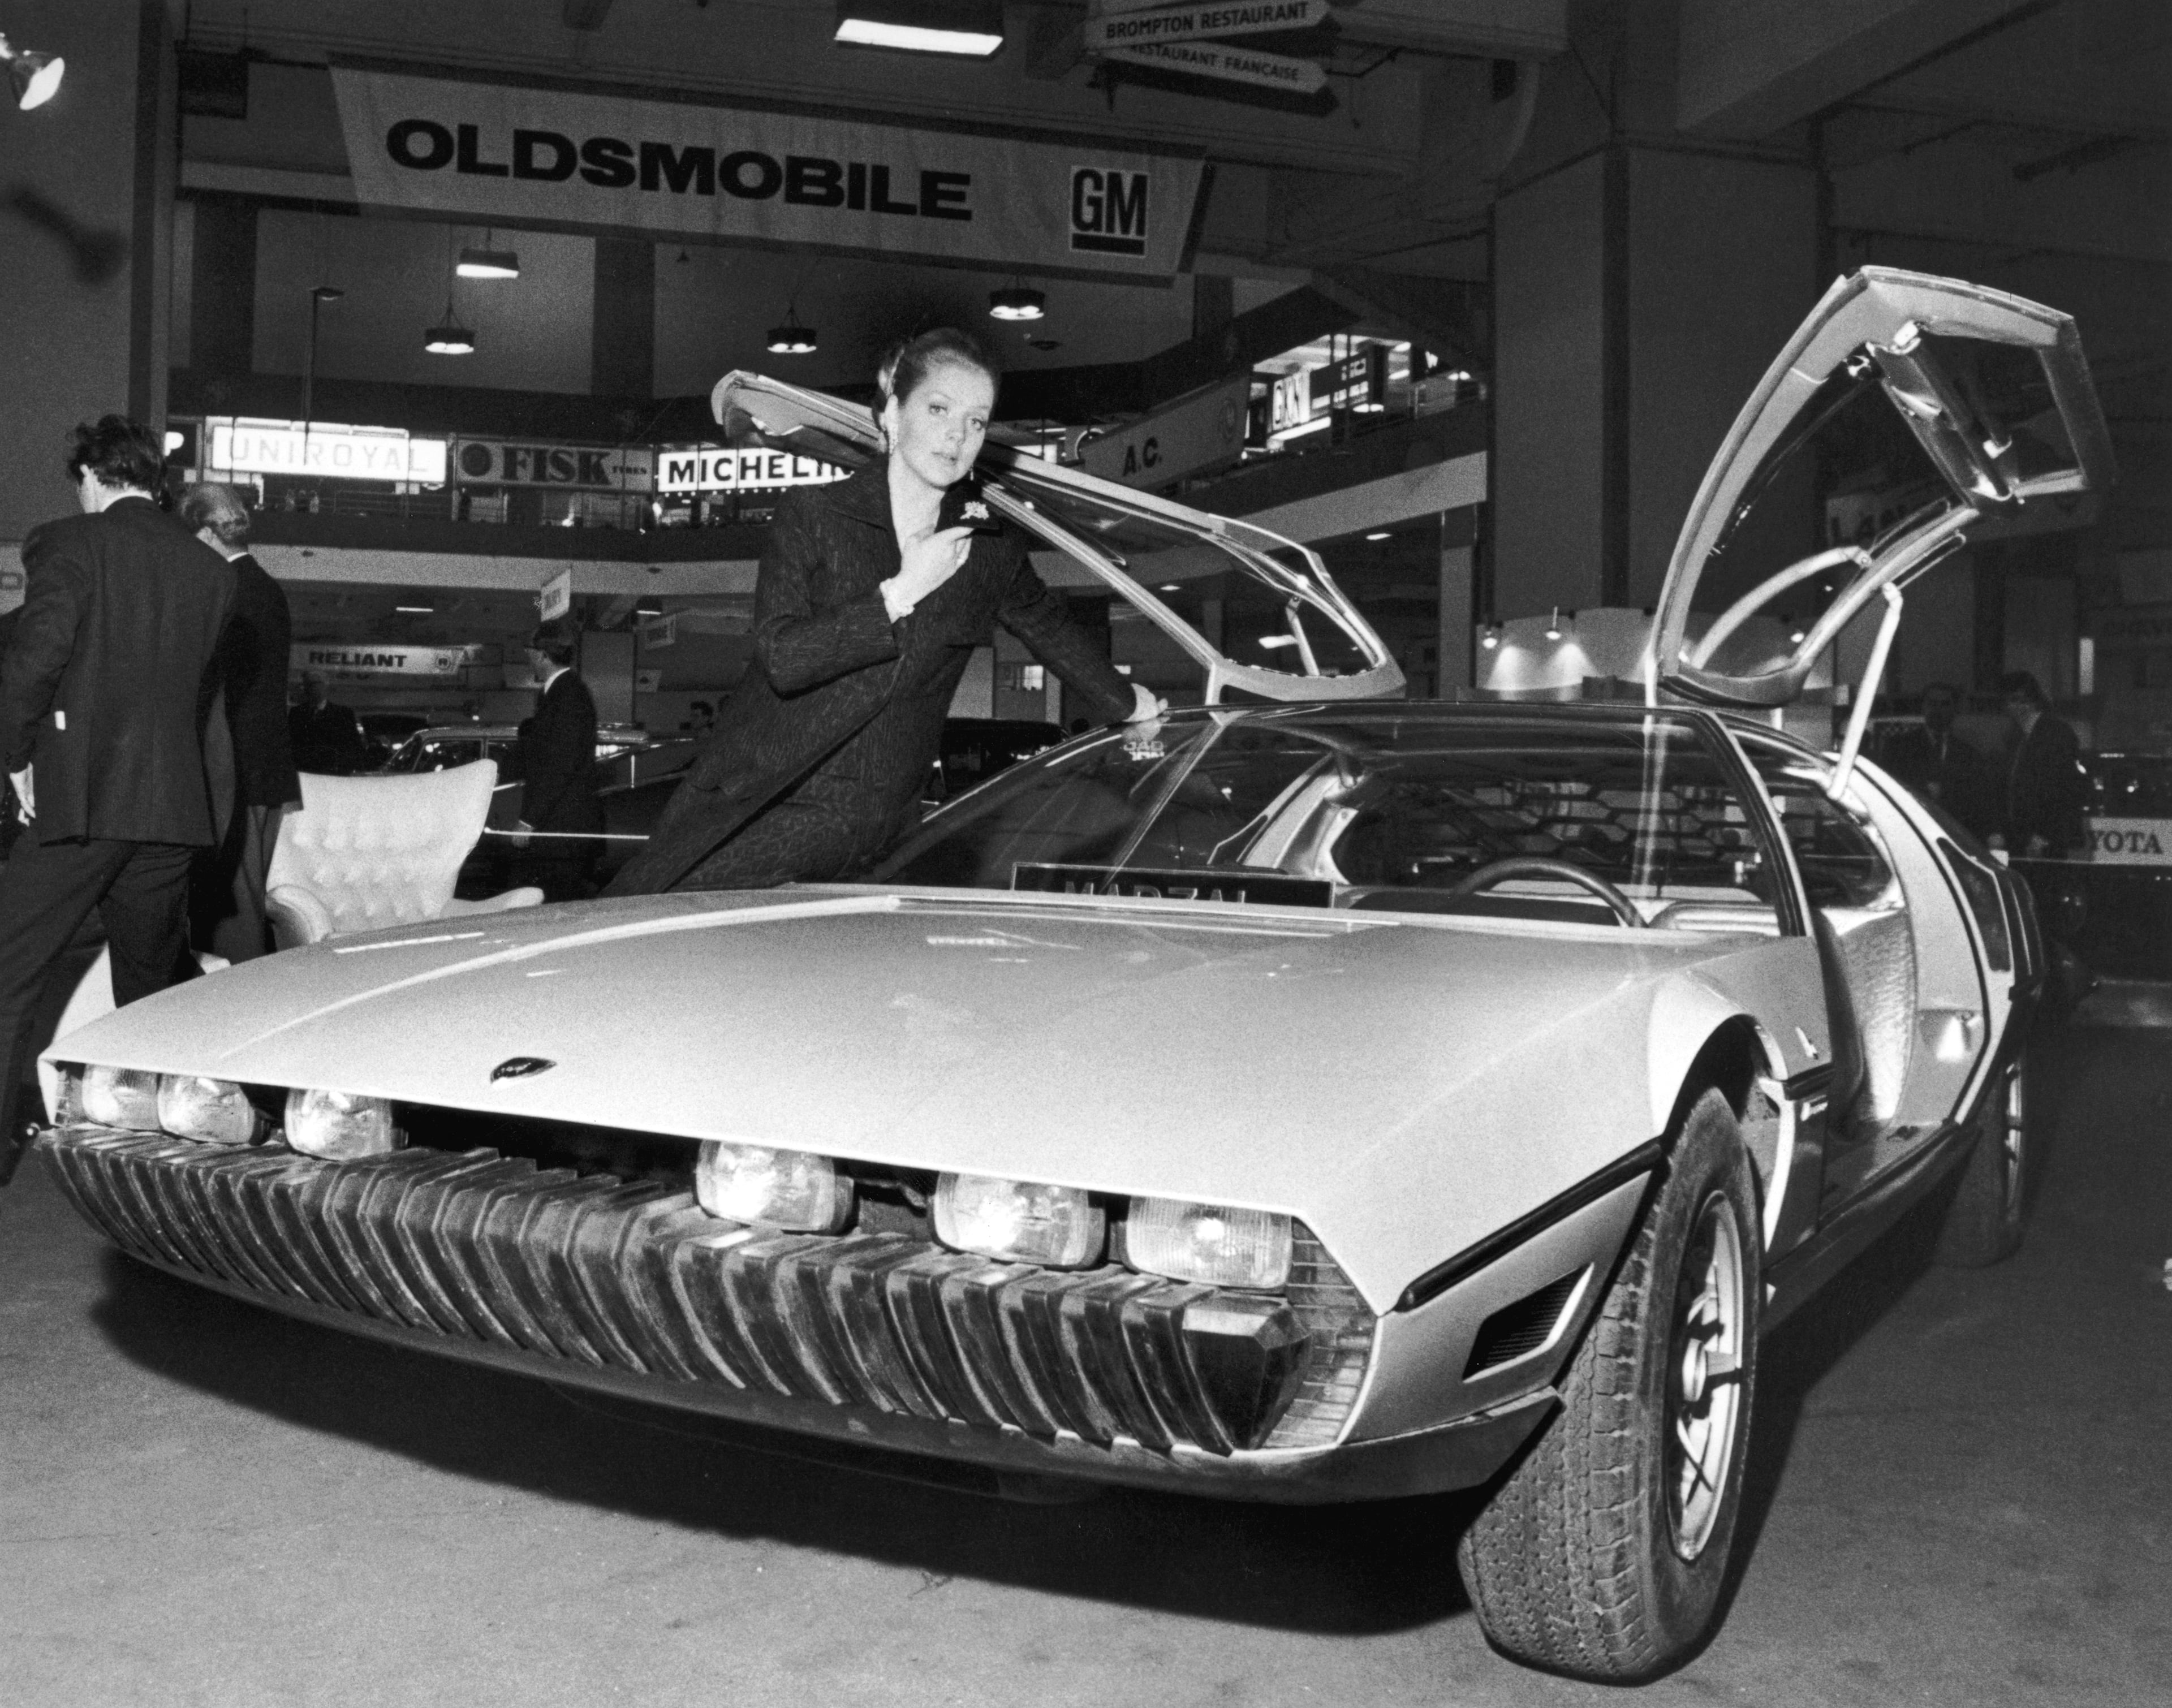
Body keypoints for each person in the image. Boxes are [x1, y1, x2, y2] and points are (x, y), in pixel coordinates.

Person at [608, 327, 1160, 895]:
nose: (957, 434)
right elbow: (784, 658)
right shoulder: (815, 514)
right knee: (637, 922)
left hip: (878, 837)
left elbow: (1051, 627)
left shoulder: (987, 549)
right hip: (762, 804)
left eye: (976, 421)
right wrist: (898, 593)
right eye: (939, 409)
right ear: (894, 413)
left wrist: (1128, 702)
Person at [0, 416, 235, 1185]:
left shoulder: (68, 542)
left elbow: (37, 660)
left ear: (92, 477)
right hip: (171, 807)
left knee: (7, 968)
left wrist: (15, 758)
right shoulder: (211, 570)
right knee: (150, 989)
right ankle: (162, 1161)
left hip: (84, 798)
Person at [181, 483, 300, 961]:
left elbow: (215, 689)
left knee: (233, 911)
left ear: (210, 533)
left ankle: (239, 998)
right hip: (264, 769)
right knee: (242, 901)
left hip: (236, 771)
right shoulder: (264, 587)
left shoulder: (230, 590)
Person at [508, 616, 604, 901]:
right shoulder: (563, 692)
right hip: (562, 825)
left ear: (542, 655)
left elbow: (560, 765)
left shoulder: (567, 696)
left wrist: (528, 821)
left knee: (553, 901)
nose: (528, 659)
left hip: (562, 827)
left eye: (530, 653)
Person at [1998, 670, 2087, 859]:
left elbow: (2062, 790)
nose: (2007, 708)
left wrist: (2044, 834)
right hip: (2030, 837)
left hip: (2045, 839)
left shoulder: (2053, 735)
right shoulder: (2023, 737)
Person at [1881, 682, 1989, 835]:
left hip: (1954, 833)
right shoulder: (1898, 748)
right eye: (1932, 703)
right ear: (1923, 707)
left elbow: (1975, 803)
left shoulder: (1968, 754)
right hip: (1910, 831)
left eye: (1944, 704)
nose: (1938, 710)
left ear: (1955, 709)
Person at [288, 667, 366, 775]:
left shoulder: (343, 714)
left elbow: (353, 745)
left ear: (325, 686)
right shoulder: (296, 713)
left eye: (315, 684)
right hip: (304, 772)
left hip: (333, 772)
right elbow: (291, 743)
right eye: (308, 684)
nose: (311, 688)